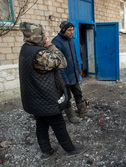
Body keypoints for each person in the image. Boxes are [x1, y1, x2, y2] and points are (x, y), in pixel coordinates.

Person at [19, 22, 85, 160]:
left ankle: (46, 151)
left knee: (41, 124)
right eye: (42, 34)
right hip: (45, 97)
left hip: (33, 98)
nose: (45, 36)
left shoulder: (25, 48)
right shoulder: (40, 54)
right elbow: (62, 62)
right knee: (59, 124)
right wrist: (50, 46)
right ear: (35, 36)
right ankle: (70, 149)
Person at [52, 21, 88, 123]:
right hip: (65, 76)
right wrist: (64, 78)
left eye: (72, 30)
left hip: (73, 74)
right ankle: (71, 116)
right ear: (63, 30)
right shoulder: (56, 42)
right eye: (69, 30)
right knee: (67, 97)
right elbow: (58, 64)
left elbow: (74, 56)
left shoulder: (70, 40)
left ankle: (82, 111)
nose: (71, 32)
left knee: (78, 92)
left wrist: (78, 70)